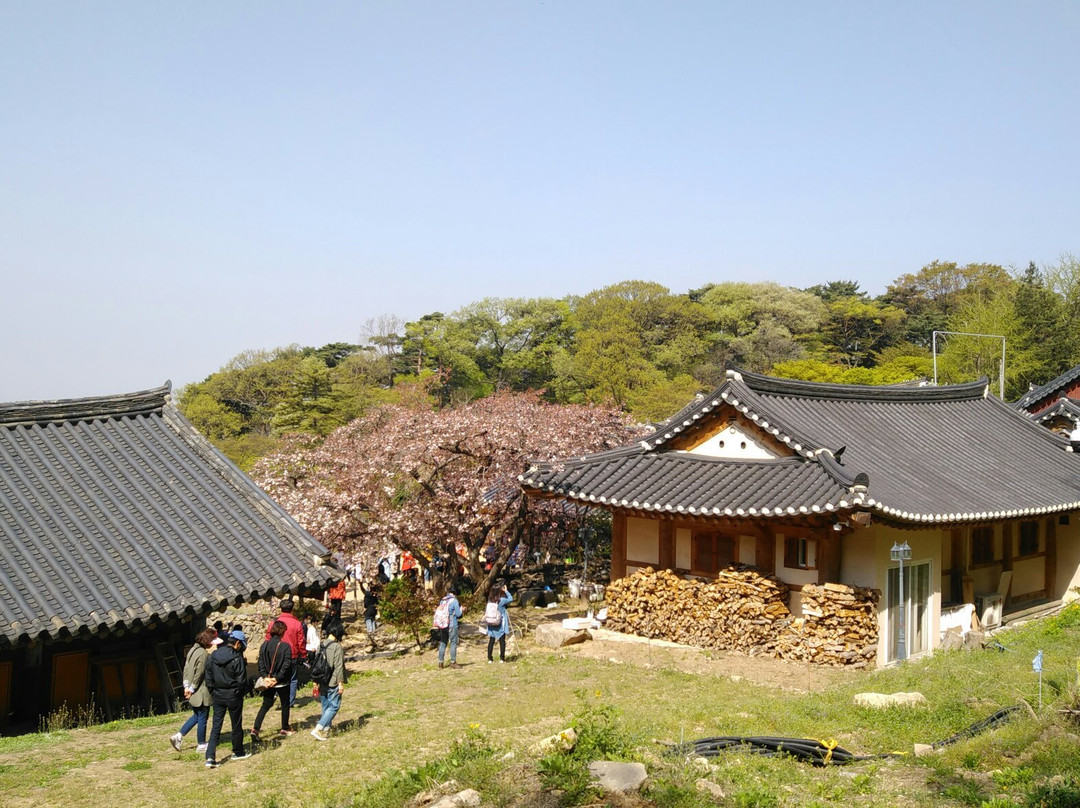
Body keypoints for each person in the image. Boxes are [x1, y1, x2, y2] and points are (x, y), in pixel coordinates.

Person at [204, 629, 250, 768]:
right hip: (233, 695)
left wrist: (213, 691)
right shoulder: (237, 658)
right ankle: (238, 751)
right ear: (237, 643)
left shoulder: (213, 655)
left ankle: (210, 756)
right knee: (236, 724)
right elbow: (242, 681)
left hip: (218, 694)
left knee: (216, 725)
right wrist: (239, 692)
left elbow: (208, 676)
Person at [170, 628, 215, 752]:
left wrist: (186, 686)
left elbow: (186, 668)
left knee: (196, 715)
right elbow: (199, 673)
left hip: (191, 688)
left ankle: (178, 736)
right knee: (202, 717)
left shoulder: (192, 650)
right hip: (200, 691)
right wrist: (192, 688)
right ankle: (201, 744)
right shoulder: (203, 654)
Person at [251, 620, 295, 742]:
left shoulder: (264, 645)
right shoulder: (285, 647)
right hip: (281, 681)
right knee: (285, 704)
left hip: (267, 681)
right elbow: (286, 665)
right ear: (282, 632)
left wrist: (266, 677)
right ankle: (285, 727)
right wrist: (276, 678)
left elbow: (260, 662)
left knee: (265, 705)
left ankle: (255, 729)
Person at [265, 597, 306, 707]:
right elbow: (301, 641)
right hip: (292, 655)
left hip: (276, 655)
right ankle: (289, 701)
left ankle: (273, 697)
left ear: (281, 609)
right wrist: (303, 655)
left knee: (277, 677)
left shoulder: (274, 623)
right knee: (292, 679)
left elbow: (267, 639)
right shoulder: (297, 624)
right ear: (292, 609)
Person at [311, 622, 346, 741]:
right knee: (334, 706)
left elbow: (316, 663)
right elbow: (339, 666)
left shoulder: (321, 645)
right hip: (333, 681)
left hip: (322, 679)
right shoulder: (337, 647)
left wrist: (315, 681)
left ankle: (326, 729)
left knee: (325, 706)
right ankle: (319, 728)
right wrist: (340, 683)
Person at [434, 585, 464, 669]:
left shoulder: (443, 600)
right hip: (452, 624)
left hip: (443, 625)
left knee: (443, 643)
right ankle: (453, 662)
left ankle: (440, 662)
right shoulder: (454, 601)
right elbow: (458, 614)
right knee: (453, 643)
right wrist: (462, 610)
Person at [485, 584, 513, 663]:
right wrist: (506, 591)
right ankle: (502, 658)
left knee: (491, 641)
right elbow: (511, 599)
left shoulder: (490, 600)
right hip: (501, 624)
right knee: (502, 641)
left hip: (491, 623)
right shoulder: (502, 600)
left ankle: (490, 658)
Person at [361, 579, 380, 648]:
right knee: (372, 620)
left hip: (369, 609)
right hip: (374, 609)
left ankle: (370, 632)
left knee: (368, 620)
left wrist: (360, 584)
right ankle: (373, 632)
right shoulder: (376, 596)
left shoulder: (367, 595)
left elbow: (363, 591)